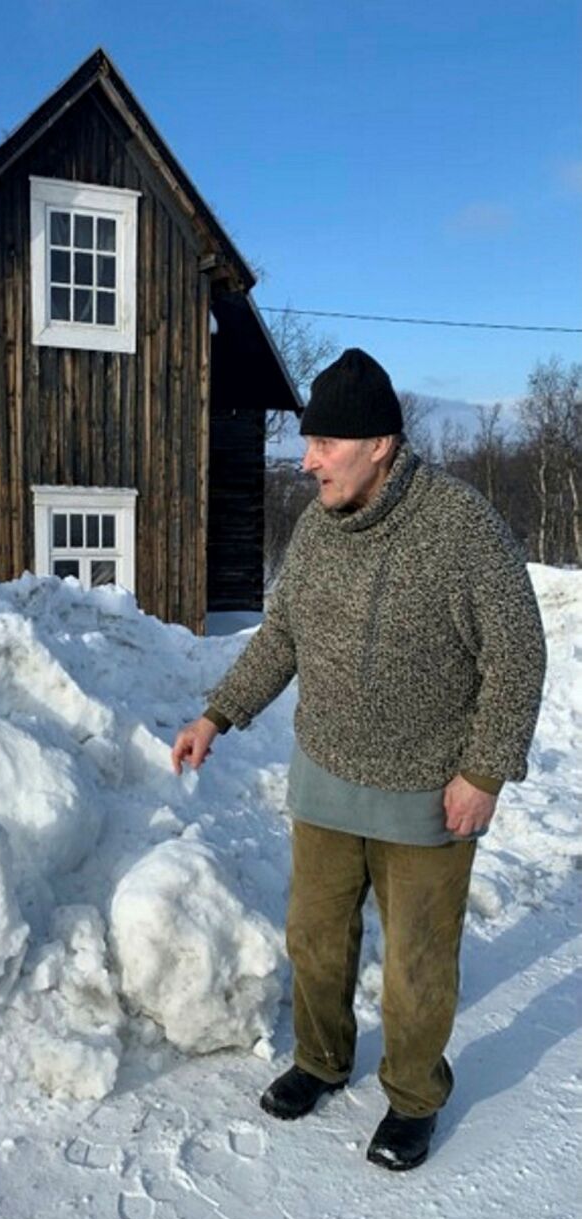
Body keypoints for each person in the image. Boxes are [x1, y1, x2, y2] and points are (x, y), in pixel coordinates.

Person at [171, 348, 546, 1171]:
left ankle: (413, 1098)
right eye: (307, 443)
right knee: (314, 938)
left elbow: (516, 658)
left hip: (426, 793)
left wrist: (483, 772)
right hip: (325, 779)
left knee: (415, 962)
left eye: (323, 446)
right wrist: (217, 713)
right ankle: (319, 1060)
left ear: (378, 444)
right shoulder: (316, 527)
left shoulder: (460, 527)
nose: (305, 462)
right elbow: (281, 636)